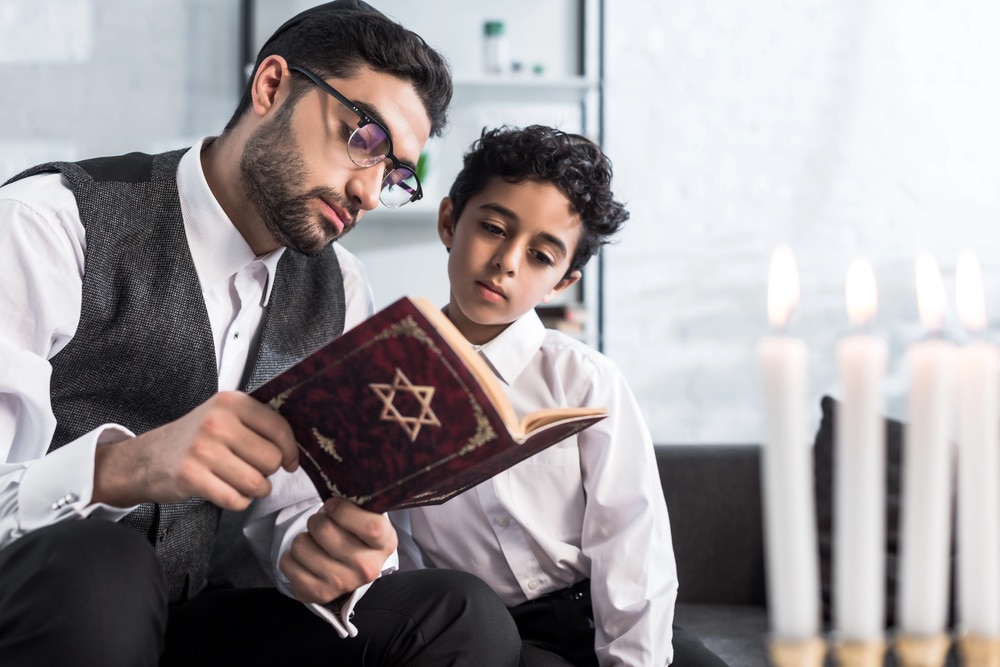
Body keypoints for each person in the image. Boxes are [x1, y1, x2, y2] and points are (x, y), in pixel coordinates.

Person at [0, 2, 523, 665]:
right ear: (272, 86)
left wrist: (310, 548)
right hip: (48, 610)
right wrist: (123, 468)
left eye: (395, 175)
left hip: (200, 619)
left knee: (459, 614)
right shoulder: (50, 223)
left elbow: (292, 507)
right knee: (105, 568)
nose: (368, 191)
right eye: (362, 137)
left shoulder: (343, 288)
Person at [388, 125, 729, 667]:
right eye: (494, 228)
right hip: (479, 629)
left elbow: (630, 537)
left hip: (587, 611)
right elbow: (394, 544)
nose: (507, 261)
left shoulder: (585, 381)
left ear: (561, 284)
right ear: (449, 221)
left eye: (541, 256)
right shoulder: (391, 375)